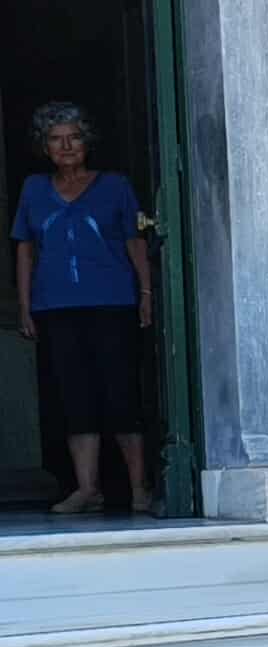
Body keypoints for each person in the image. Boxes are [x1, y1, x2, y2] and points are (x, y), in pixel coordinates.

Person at [10, 101, 153, 514]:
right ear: (45, 147)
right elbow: (25, 248)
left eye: (74, 137)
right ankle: (87, 488)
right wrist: (25, 306)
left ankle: (139, 487)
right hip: (56, 306)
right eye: (56, 139)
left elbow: (134, 241)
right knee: (74, 396)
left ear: (87, 141)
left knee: (120, 392)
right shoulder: (34, 188)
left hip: (113, 302)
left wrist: (146, 293)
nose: (66, 146)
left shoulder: (115, 186)